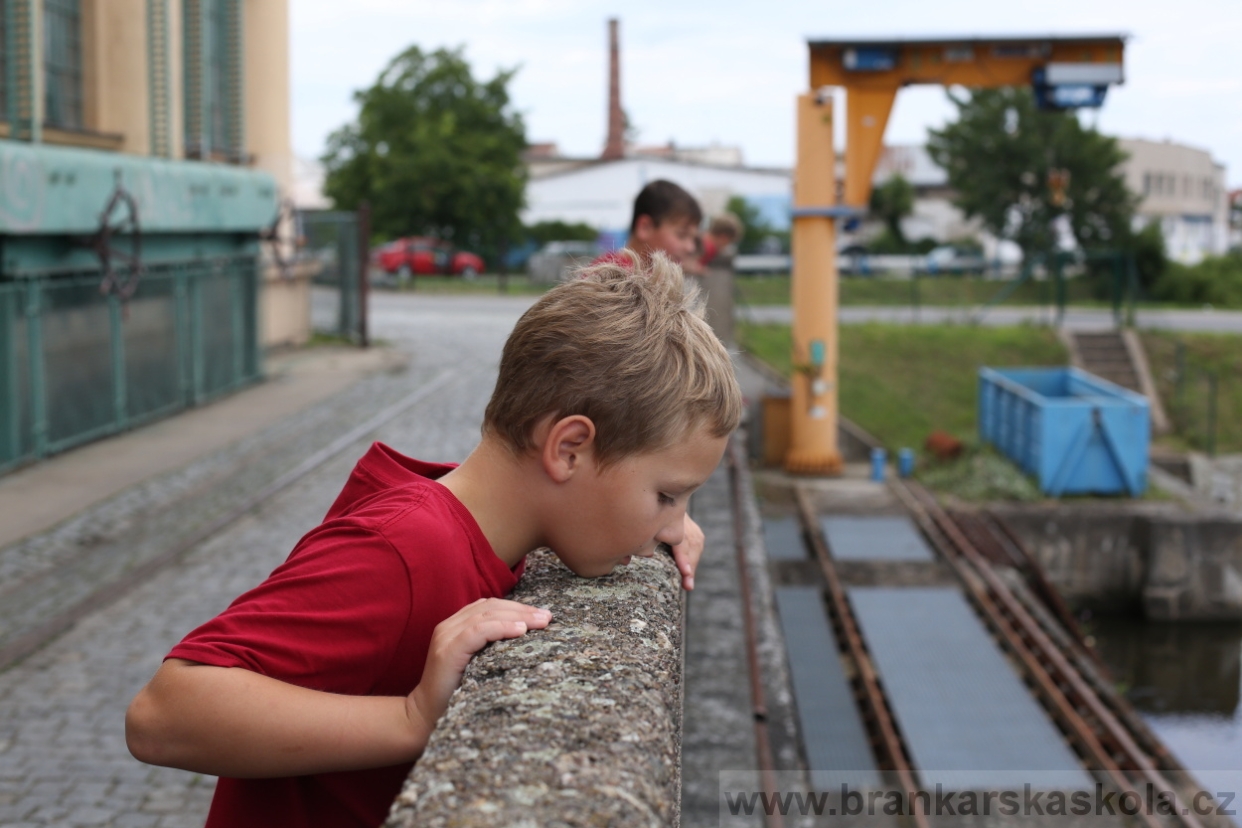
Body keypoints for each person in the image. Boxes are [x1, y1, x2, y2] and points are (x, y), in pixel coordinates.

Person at [125, 252, 743, 828]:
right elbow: (163, 713)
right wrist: (411, 718)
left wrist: (661, 515)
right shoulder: (405, 549)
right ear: (569, 449)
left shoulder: (490, 522)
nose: (673, 526)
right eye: (667, 495)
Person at [596, 179, 703, 269]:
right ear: (645, 227)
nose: (691, 248)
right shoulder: (611, 277)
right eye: (681, 235)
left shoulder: (652, 276)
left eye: (693, 238)